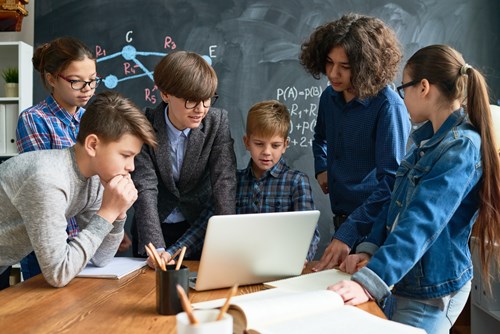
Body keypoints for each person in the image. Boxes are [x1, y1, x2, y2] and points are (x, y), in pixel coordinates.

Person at [329, 45, 500, 334]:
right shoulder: (425, 140)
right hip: (405, 280)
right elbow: (395, 203)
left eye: (403, 87)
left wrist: (370, 281)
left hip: (431, 289)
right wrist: (370, 250)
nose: (401, 96)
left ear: (423, 88)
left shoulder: (461, 147)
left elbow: (422, 220)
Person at [0, 91, 157, 289]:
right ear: (93, 145)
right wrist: (107, 213)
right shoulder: (47, 180)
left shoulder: (95, 179)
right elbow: (59, 273)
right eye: (126, 155)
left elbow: (101, 257)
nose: (132, 167)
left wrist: (118, 214)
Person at [299, 13, 411, 271]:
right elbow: (320, 138)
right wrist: (321, 167)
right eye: (329, 63)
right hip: (340, 219)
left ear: (365, 65)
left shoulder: (388, 107)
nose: (333, 73)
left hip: (372, 228)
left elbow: (391, 182)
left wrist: (347, 234)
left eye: (344, 67)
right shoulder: (330, 97)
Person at [15, 37, 132, 280]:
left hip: (86, 240)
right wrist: (98, 227)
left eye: (92, 80)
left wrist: (109, 226)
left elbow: (97, 185)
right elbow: (44, 195)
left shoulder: (93, 120)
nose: (88, 88)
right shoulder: (35, 120)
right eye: (77, 82)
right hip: (49, 245)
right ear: (51, 78)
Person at [131, 51, 237, 267]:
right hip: (155, 225)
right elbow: (145, 186)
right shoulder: (144, 124)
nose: (201, 109)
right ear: (166, 94)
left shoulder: (217, 122)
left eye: (207, 100)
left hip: (198, 228)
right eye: (191, 101)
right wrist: (156, 248)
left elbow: (224, 181)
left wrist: (227, 239)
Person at [236, 100, 320, 261]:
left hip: (282, 267)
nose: (267, 152)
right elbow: (205, 223)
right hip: (241, 265)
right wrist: (174, 251)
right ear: (247, 142)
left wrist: (300, 259)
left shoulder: (297, 182)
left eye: (275, 145)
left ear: (285, 145)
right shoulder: (234, 181)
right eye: (259, 144)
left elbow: (308, 233)